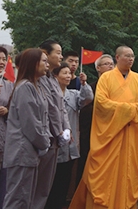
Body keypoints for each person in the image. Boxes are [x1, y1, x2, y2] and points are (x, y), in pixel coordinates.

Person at [69, 46, 138, 209]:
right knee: (105, 175)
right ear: (117, 58)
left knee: (128, 173)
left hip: (131, 136)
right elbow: (101, 104)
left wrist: (132, 109)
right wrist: (130, 109)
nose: (130, 59)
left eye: (132, 56)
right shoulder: (106, 79)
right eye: (127, 55)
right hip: (110, 137)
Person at [2, 48, 52, 208]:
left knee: (25, 199)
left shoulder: (35, 85)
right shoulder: (25, 87)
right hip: (22, 152)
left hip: (30, 153)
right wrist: (44, 142)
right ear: (33, 63)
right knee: (18, 200)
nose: (47, 64)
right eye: (44, 61)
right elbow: (31, 123)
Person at [45, 62, 93, 209]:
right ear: (55, 76)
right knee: (50, 180)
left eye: (69, 73)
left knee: (65, 179)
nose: (68, 76)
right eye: (64, 73)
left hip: (70, 142)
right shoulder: (50, 94)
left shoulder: (73, 94)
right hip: (53, 142)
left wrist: (84, 83)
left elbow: (87, 99)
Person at [37, 40, 72, 209]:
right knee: (38, 187)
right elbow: (49, 110)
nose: (61, 56)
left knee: (46, 186)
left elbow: (60, 108)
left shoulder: (51, 78)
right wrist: (58, 132)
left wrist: (66, 129)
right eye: (57, 53)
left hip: (56, 138)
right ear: (45, 53)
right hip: (46, 138)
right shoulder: (38, 81)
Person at [75, 54, 114, 186]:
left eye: (112, 64)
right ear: (98, 68)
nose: (110, 66)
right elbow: (84, 112)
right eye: (106, 64)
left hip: (112, 135)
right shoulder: (91, 88)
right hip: (92, 134)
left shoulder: (119, 89)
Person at [0, 46, 14, 209]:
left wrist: (7, 110)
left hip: (4, 139)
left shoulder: (8, 85)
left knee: (4, 183)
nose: (1, 62)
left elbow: (15, 110)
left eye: (4, 59)